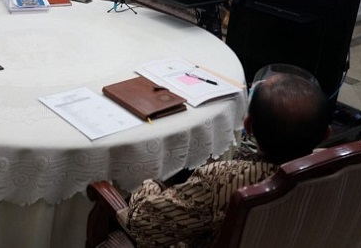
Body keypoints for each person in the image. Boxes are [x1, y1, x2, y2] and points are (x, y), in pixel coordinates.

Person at [125, 66, 331, 248]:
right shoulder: (339, 168)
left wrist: (149, 180)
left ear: (248, 126)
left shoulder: (220, 181)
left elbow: (142, 225)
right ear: (326, 134)